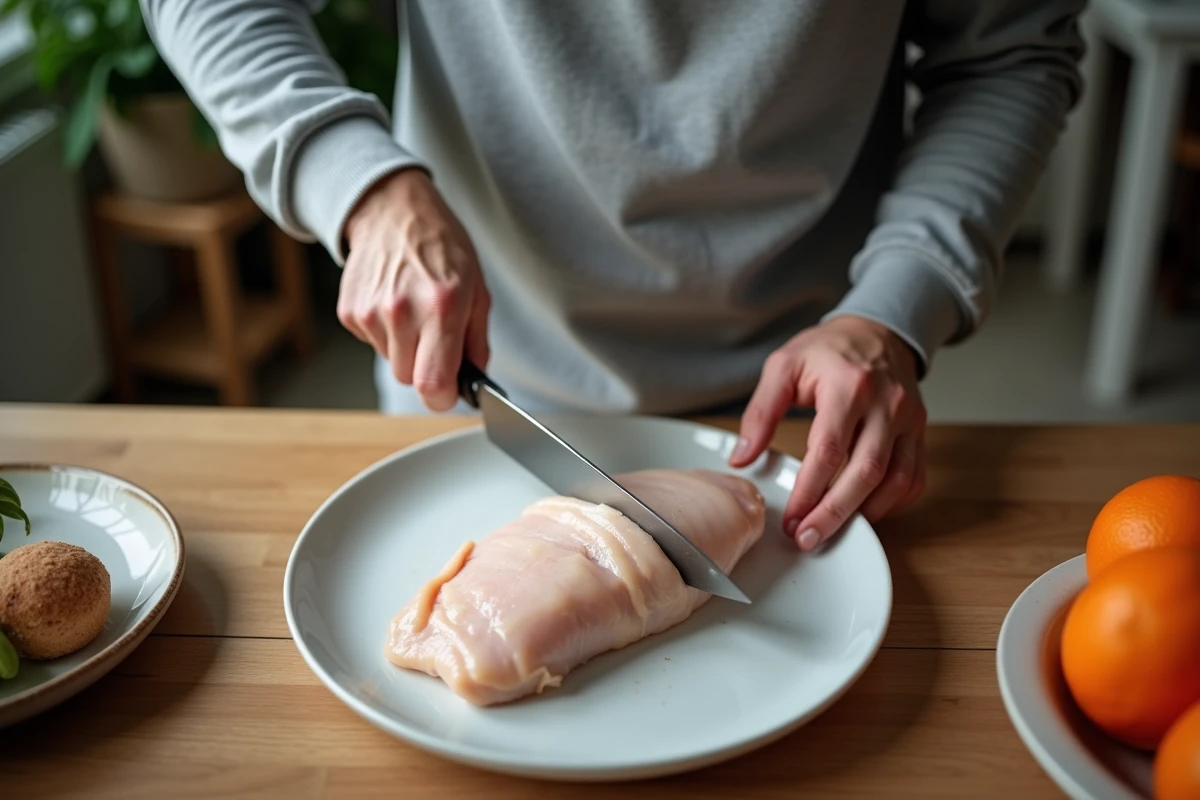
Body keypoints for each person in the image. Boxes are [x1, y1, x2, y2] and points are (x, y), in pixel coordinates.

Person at [142, 0, 1085, 551]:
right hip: (473, 383)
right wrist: (363, 185)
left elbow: (1009, 55)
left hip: (809, 412)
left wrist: (893, 308)